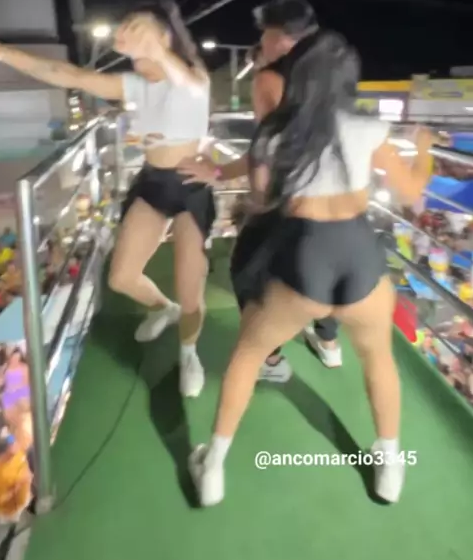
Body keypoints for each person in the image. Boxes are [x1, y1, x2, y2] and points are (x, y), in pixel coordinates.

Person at [184, 25, 433, 506]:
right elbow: (412, 192)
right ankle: (389, 468)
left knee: (248, 355)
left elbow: (261, 197)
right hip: (358, 251)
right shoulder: (367, 127)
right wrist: (422, 152)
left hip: (303, 253)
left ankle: (212, 467)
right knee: (378, 359)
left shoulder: (276, 132)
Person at [0, 0, 215, 398]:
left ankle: (189, 352)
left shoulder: (193, 78)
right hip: (152, 182)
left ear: (164, 37)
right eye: (126, 27)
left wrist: (157, 49)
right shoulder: (133, 85)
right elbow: (65, 73)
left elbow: (186, 82)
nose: (126, 34)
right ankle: (162, 308)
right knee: (121, 277)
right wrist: (2, 52)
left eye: (138, 28)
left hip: (192, 188)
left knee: (190, 287)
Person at [180, 0, 342, 382]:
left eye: (266, 36)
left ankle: (269, 360)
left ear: (284, 39)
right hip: (332, 196)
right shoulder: (328, 78)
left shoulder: (268, 79)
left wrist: (220, 174)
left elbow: (266, 150)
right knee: (318, 269)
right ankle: (328, 341)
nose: (262, 45)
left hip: (285, 200)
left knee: (249, 273)